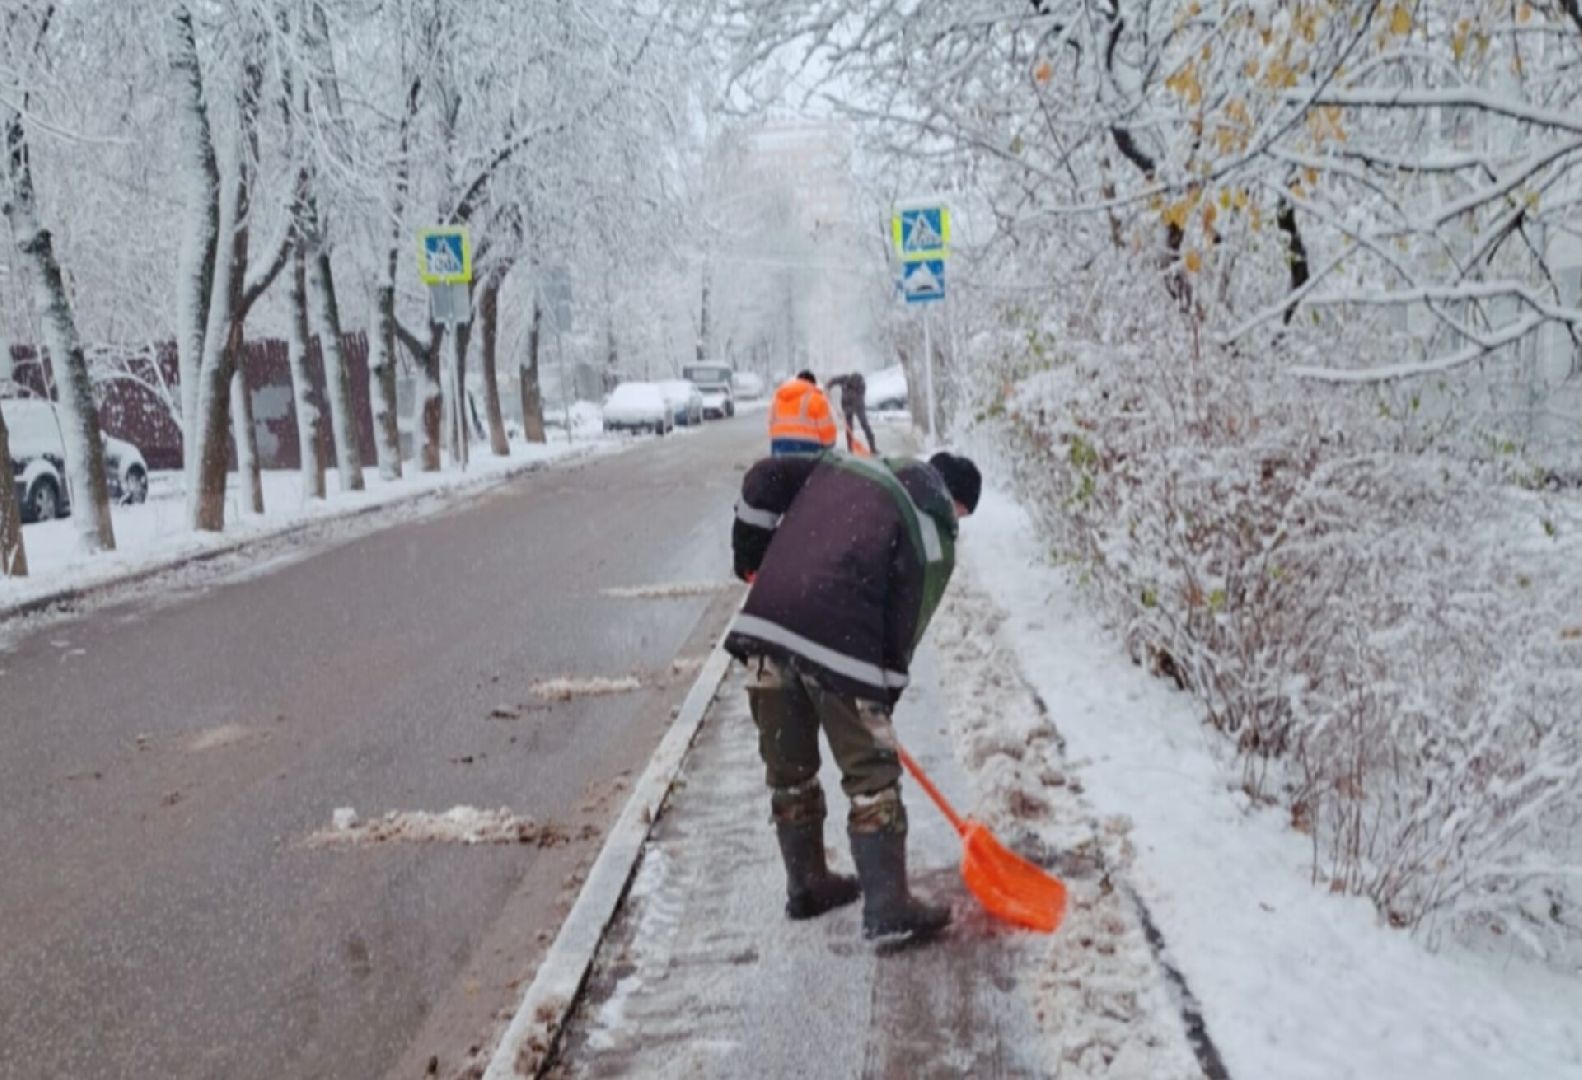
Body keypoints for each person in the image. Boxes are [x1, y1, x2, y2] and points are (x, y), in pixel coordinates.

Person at [727, 449, 984, 942]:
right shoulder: (934, 528)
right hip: (840, 639)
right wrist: (878, 702)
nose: (957, 524)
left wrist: (751, 559)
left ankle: (807, 883)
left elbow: (762, 475)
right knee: (871, 776)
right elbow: (903, 629)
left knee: (789, 768)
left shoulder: (842, 468)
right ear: (953, 501)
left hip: (765, 626)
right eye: (961, 515)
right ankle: (888, 905)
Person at [767, 370, 837, 457]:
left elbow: (770, 423)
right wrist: (830, 445)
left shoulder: (778, 398)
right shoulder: (817, 399)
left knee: (782, 470)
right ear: (813, 384)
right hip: (807, 449)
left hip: (779, 447)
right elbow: (827, 431)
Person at [825, 372, 877, 455]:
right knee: (849, 428)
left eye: (851, 386)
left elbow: (859, 400)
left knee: (864, 424)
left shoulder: (861, 386)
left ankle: (873, 448)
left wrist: (848, 411)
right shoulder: (845, 378)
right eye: (848, 385)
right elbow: (833, 380)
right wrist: (828, 386)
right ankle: (850, 449)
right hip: (846, 405)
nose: (849, 387)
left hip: (859, 406)